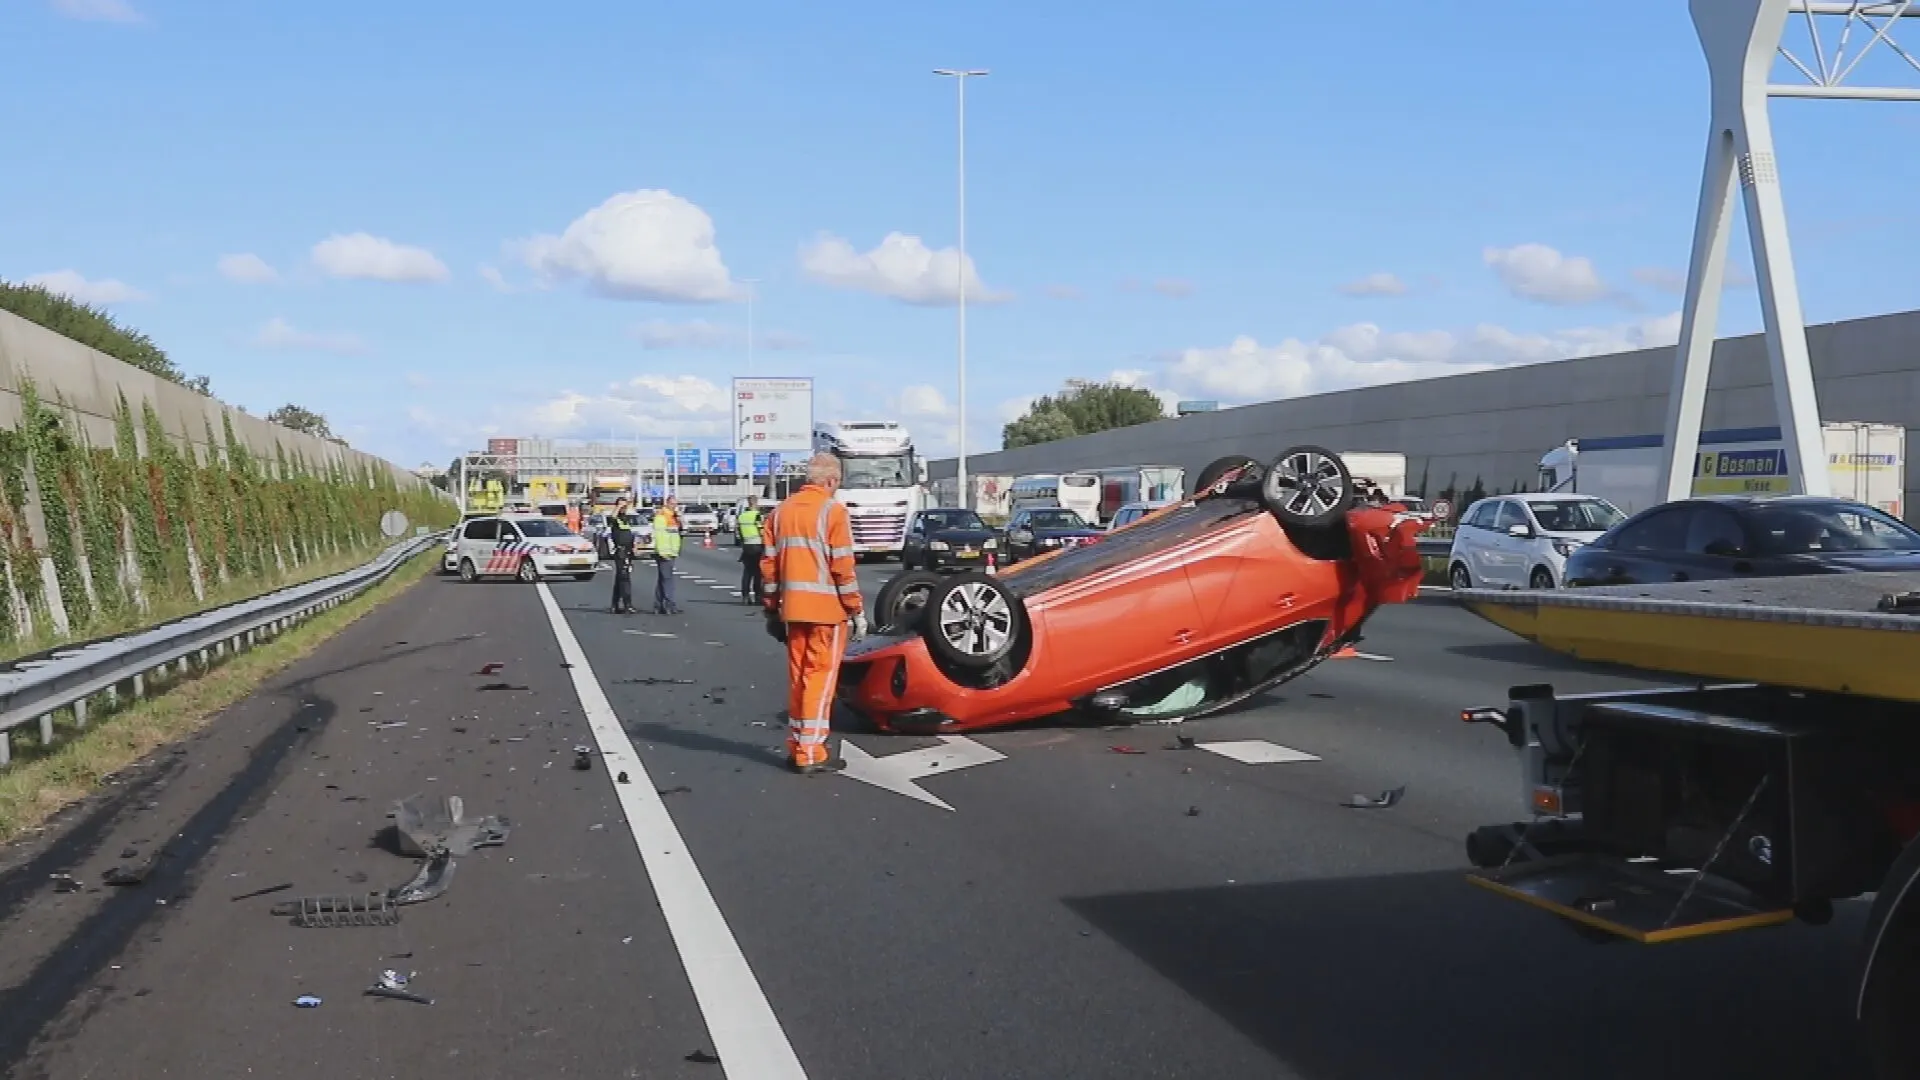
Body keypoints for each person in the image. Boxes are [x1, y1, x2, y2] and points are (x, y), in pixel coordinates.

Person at [760, 453, 867, 774]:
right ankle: (811, 749)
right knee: (820, 678)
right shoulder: (833, 512)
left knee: (799, 678)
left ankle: (797, 743)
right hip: (827, 612)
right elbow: (842, 568)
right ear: (831, 481)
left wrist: (771, 610)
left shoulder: (779, 514)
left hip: (793, 611)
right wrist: (856, 610)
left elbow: (769, 569)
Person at [651, 495, 684, 614]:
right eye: (672, 504)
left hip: (671, 551)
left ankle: (658, 605)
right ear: (667, 503)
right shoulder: (661, 516)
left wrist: (679, 518)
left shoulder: (673, 517)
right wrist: (662, 552)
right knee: (667, 579)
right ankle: (670, 605)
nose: (674, 507)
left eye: (676, 504)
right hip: (664, 552)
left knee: (663, 579)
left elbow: (680, 531)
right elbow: (658, 536)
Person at [607, 500, 637, 614]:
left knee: (620, 578)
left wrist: (634, 547)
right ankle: (627, 604)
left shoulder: (626, 519)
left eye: (625, 506)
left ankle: (615, 605)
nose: (624, 508)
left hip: (628, 552)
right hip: (620, 551)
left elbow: (629, 535)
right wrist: (618, 506)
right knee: (624, 578)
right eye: (622, 506)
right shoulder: (616, 519)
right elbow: (612, 518)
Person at [736, 495, 766, 604]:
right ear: (756, 503)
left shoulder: (742, 516)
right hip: (757, 545)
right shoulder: (757, 516)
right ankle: (758, 596)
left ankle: (745, 596)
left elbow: (739, 532)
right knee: (758, 572)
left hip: (746, 546)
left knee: (747, 572)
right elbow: (761, 531)